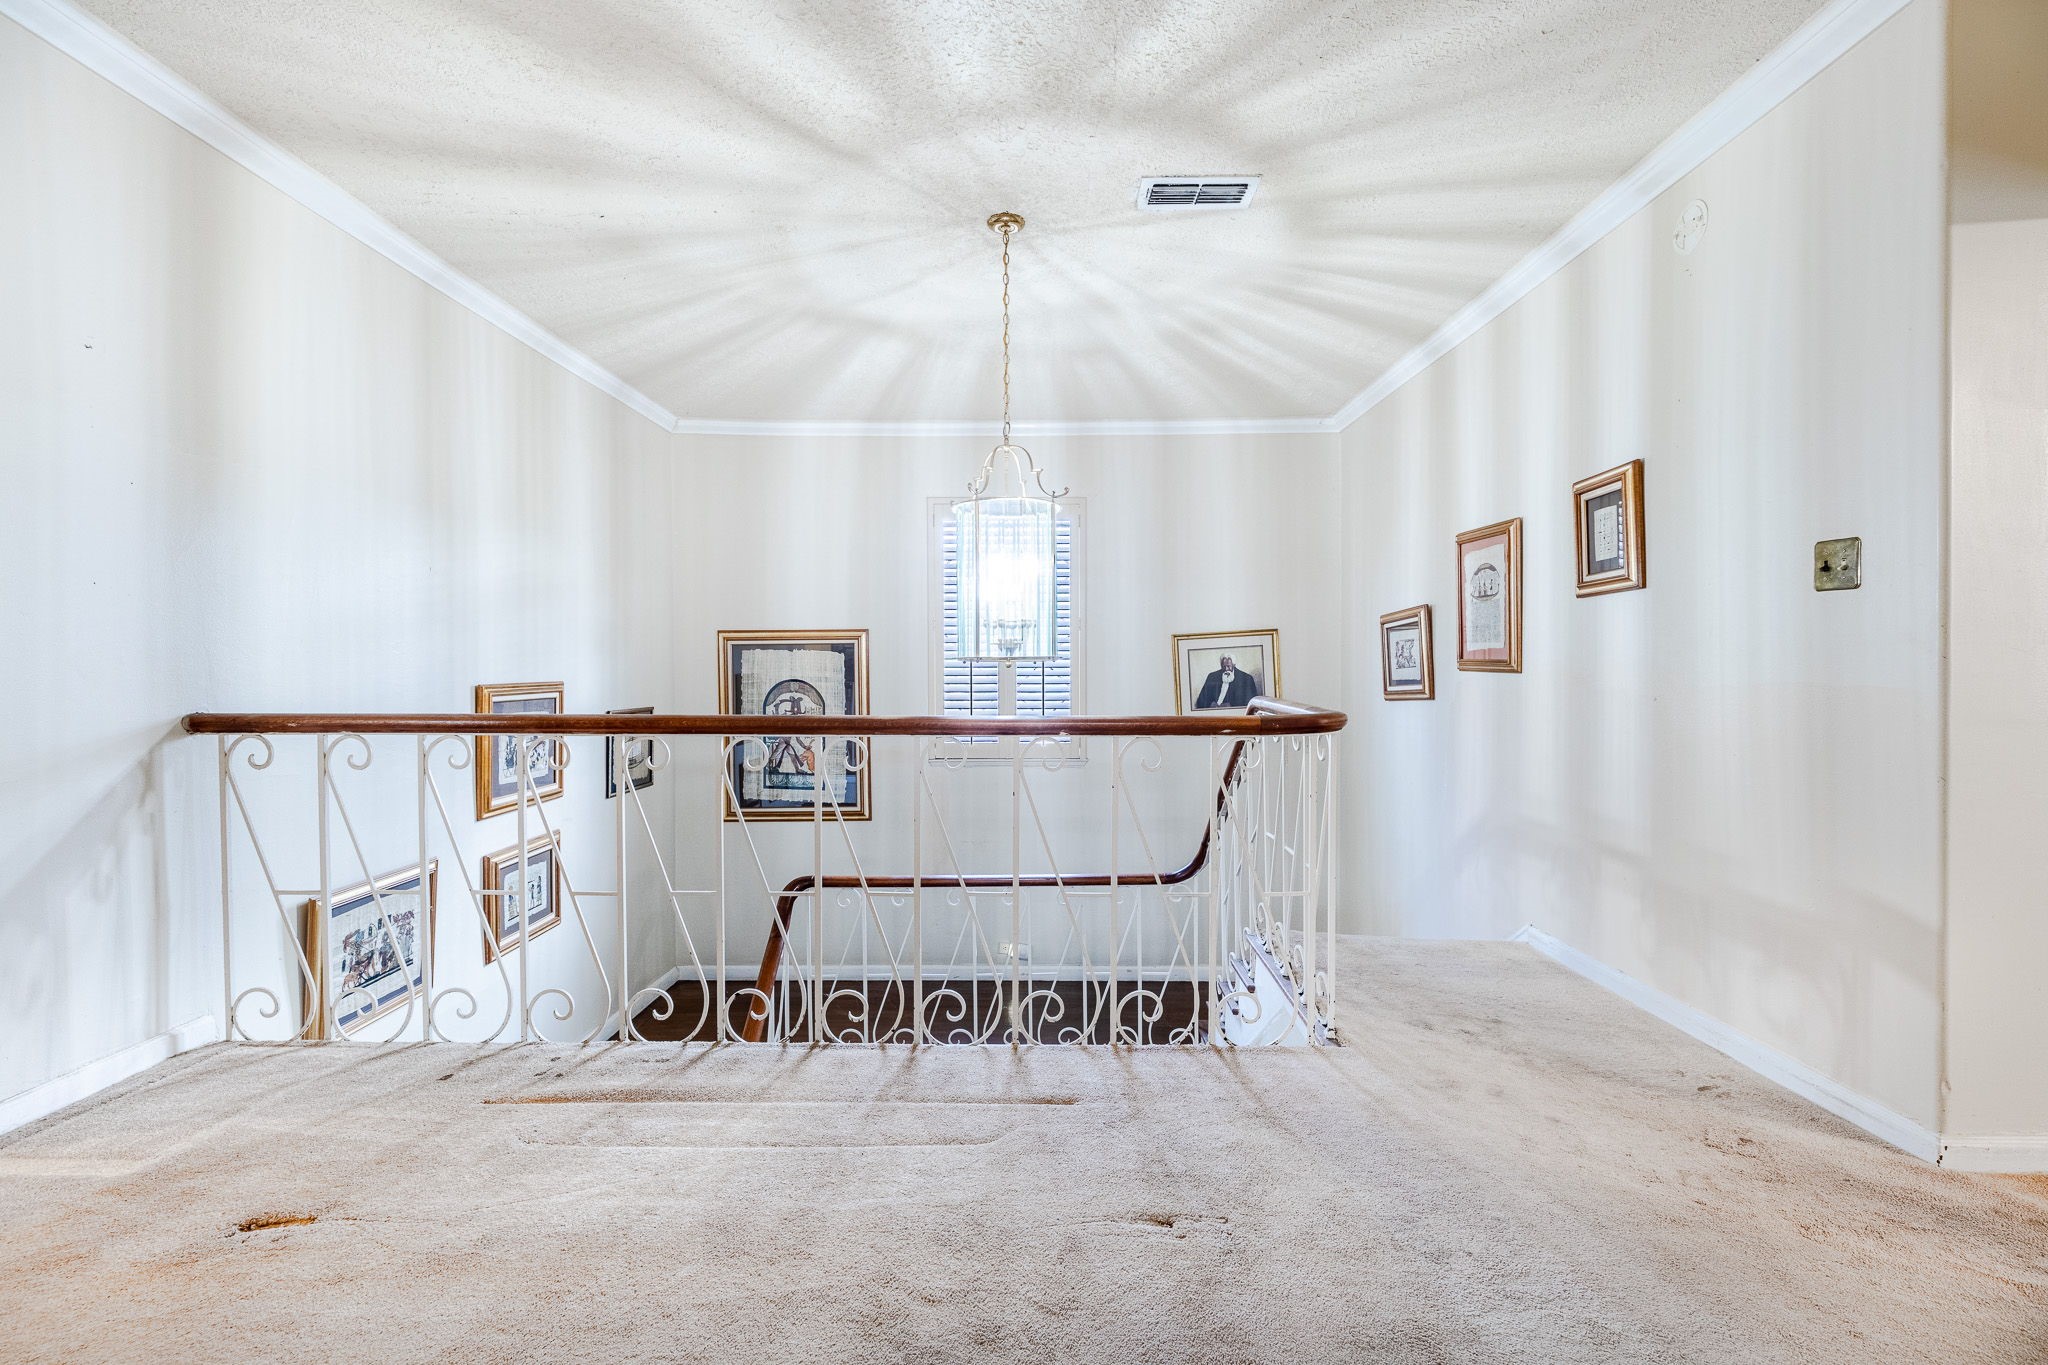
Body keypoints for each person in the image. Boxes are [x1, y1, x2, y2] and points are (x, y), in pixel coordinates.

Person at [1194, 654, 1260, 709]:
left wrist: (1232, 706)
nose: (1226, 669)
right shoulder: (1212, 676)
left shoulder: (1246, 678)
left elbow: (1252, 703)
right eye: (1224, 666)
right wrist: (1212, 705)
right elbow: (1201, 702)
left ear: (1234, 665)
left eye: (1228, 666)